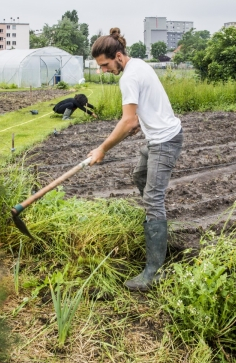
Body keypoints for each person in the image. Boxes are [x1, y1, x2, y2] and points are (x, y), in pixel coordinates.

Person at [88, 28, 183, 292]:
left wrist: (102, 149)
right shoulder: (139, 64)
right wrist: (141, 121)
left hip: (165, 140)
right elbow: (144, 106)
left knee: (153, 197)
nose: (104, 70)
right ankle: (158, 222)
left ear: (118, 56)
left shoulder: (128, 77)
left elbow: (127, 119)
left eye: (105, 65)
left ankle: (153, 272)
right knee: (140, 176)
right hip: (157, 137)